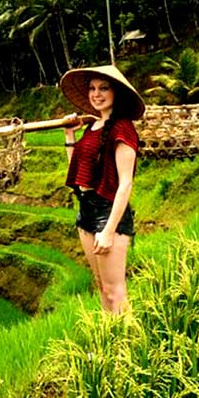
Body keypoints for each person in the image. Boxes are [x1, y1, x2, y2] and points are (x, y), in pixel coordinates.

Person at [59, 65, 146, 313]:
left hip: (109, 213)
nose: (96, 94)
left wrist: (108, 230)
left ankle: (130, 337)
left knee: (114, 291)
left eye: (103, 88)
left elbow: (125, 183)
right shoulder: (93, 127)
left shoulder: (122, 128)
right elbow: (79, 172)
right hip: (86, 211)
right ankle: (108, 334)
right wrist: (69, 136)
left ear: (116, 93)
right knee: (101, 286)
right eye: (92, 88)